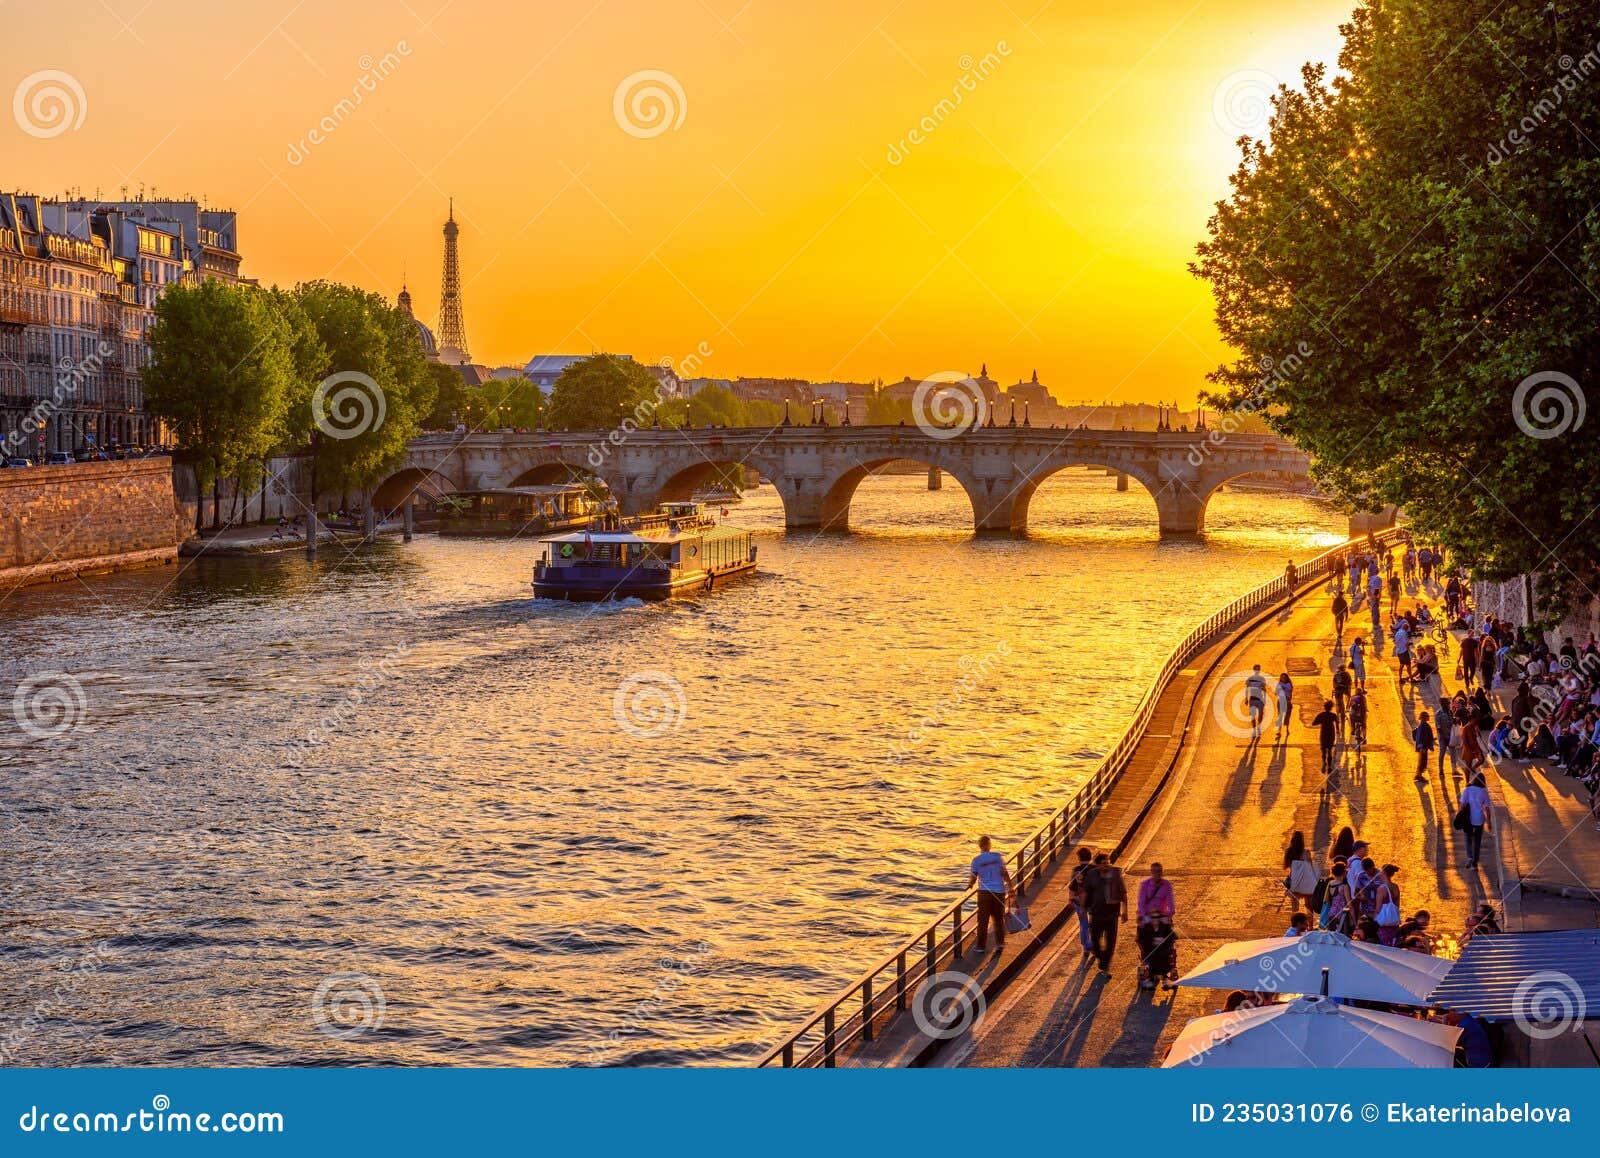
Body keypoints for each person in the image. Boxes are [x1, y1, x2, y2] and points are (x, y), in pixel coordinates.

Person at [968, 835, 1015, 954]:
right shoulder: (997, 857)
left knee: (983, 921)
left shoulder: (976, 860)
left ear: (980, 846)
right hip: (999, 891)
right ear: (989, 845)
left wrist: (970, 885)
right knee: (998, 919)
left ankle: (981, 947)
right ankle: (999, 944)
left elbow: (973, 878)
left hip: (984, 892)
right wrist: (1010, 887)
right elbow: (1004, 873)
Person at [1083, 852, 1127, 976]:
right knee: (1095, 941)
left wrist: (1125, 911)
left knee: (1110, 942)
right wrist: (1082, 907)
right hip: (1096, 913)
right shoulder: (1092, 875)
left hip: (1111, 914)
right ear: (1097, 865)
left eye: (1108, 863)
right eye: (1103, 863)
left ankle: (1105, 964)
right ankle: (1099, 956)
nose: (1106, 866)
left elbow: (1123, 892)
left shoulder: (1115, 874)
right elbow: (1086, 891)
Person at [1135, 862, 1178, 989]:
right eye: (1155, 871)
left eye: (1159, 871)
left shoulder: (1166, 885)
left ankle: (1165, 972)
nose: (1157, 874)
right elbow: (1141, 902)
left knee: (1166, 943)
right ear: (1151, 872)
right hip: (1148, 916)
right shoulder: (1145, 885)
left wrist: (1168, 915)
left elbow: (1170, 903)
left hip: (1161, 917)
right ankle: (1149, 967)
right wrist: (1145, 917)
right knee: (1147, 943)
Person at [1459, 773, 1493, 869]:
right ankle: (1475, 863)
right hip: (1479, 819)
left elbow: (1462, 805)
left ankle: (1469, 857)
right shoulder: (1483, 792)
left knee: (1468, 839)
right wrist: (1489, 822)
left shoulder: (1467, 789)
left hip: (1468, 819)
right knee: (1477, 842)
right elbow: (1487, 808)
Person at [1067, 846, 1094, 955]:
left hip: (1079, 901)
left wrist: (1070, 899)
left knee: (1083, 924)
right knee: (1093, 924)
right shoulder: (1095, 869)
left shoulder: (1076, 870)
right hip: (1093, 901)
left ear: (1079, 857)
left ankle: (1086, 947)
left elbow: (1072, 887)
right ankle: (1092, 943)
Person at [1284, 830, 1318, 911]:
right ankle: (1310, 923)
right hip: (1306, 881)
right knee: (1309, 905)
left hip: (1295, 881)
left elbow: (1286, 866)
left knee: (1295, 905)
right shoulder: (1306, 853)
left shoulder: (1289, 852)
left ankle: (1295, 922)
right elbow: (1310, 868)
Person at [1312, 698, 1339, 777]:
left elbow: (1314, 723)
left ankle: (1324, 762)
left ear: (1324, 707)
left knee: (1323, 750)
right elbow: (1337, 723)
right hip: (1331, 734)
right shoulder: (1333, 715)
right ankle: (1330, 767)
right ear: (1331, 707)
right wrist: (1337, 730)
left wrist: (1320, 721)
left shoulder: (1321, 715)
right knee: (1330, 751)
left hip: (1323, 734)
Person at [1245, 664, 1268, 736]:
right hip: (1252, 699)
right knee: (1253, 716)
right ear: (1254, 670)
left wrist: (1264, 699)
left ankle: (1259, 727)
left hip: (1260, 699)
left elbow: (1264, 689)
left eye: (1258, 669)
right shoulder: (1250, 679)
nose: (1257, 671)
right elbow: (1247, 689)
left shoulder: (1262, 679)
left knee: (1260, 714)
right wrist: (1246, 698)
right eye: (1256, 669)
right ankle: (1254, 729)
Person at [1412, 712, 1436, 781]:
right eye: (1426, 716)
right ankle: (1418, 775)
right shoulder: (1422, 726)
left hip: (1424, 746)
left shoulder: (1424, 725)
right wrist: (1421, 746)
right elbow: (1419, 737)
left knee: (1423, 760)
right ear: (1423, 718)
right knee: (1422, 761)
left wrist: (1431, 739)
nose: (1428, 717)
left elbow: (1427, 735)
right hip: (1422, 746)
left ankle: (1418, 775)